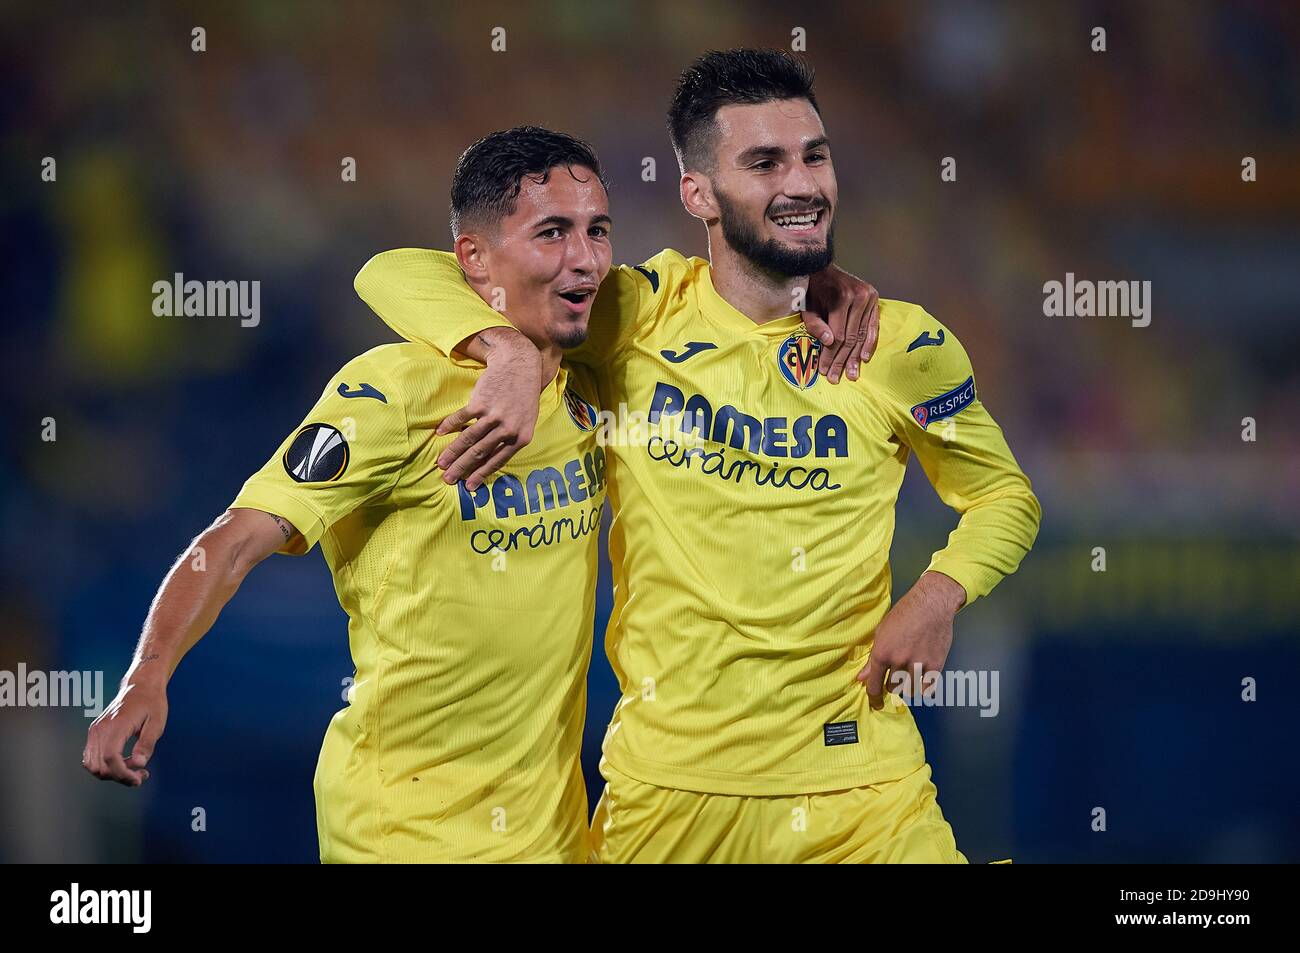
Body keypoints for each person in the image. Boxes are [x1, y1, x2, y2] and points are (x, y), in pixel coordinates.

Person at [356, 49, 1042, 863]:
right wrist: (504, 350)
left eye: (814, 156)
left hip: (860, 788)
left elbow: (1005, 497)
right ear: (698, 193)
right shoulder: (631, 319)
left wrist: (937, 594)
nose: (803, 183)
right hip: (668, 796)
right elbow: (393, 272)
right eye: (764, 163)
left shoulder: (900, 343)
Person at [84, 127, 616, 863]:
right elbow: (233, 540)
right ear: (473, 259)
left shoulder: (594, 378)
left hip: (553, 831)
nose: (584, 258)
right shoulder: (395, 391)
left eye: (597, 230)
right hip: (403, 829)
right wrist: (148, 673)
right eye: (552, 232)